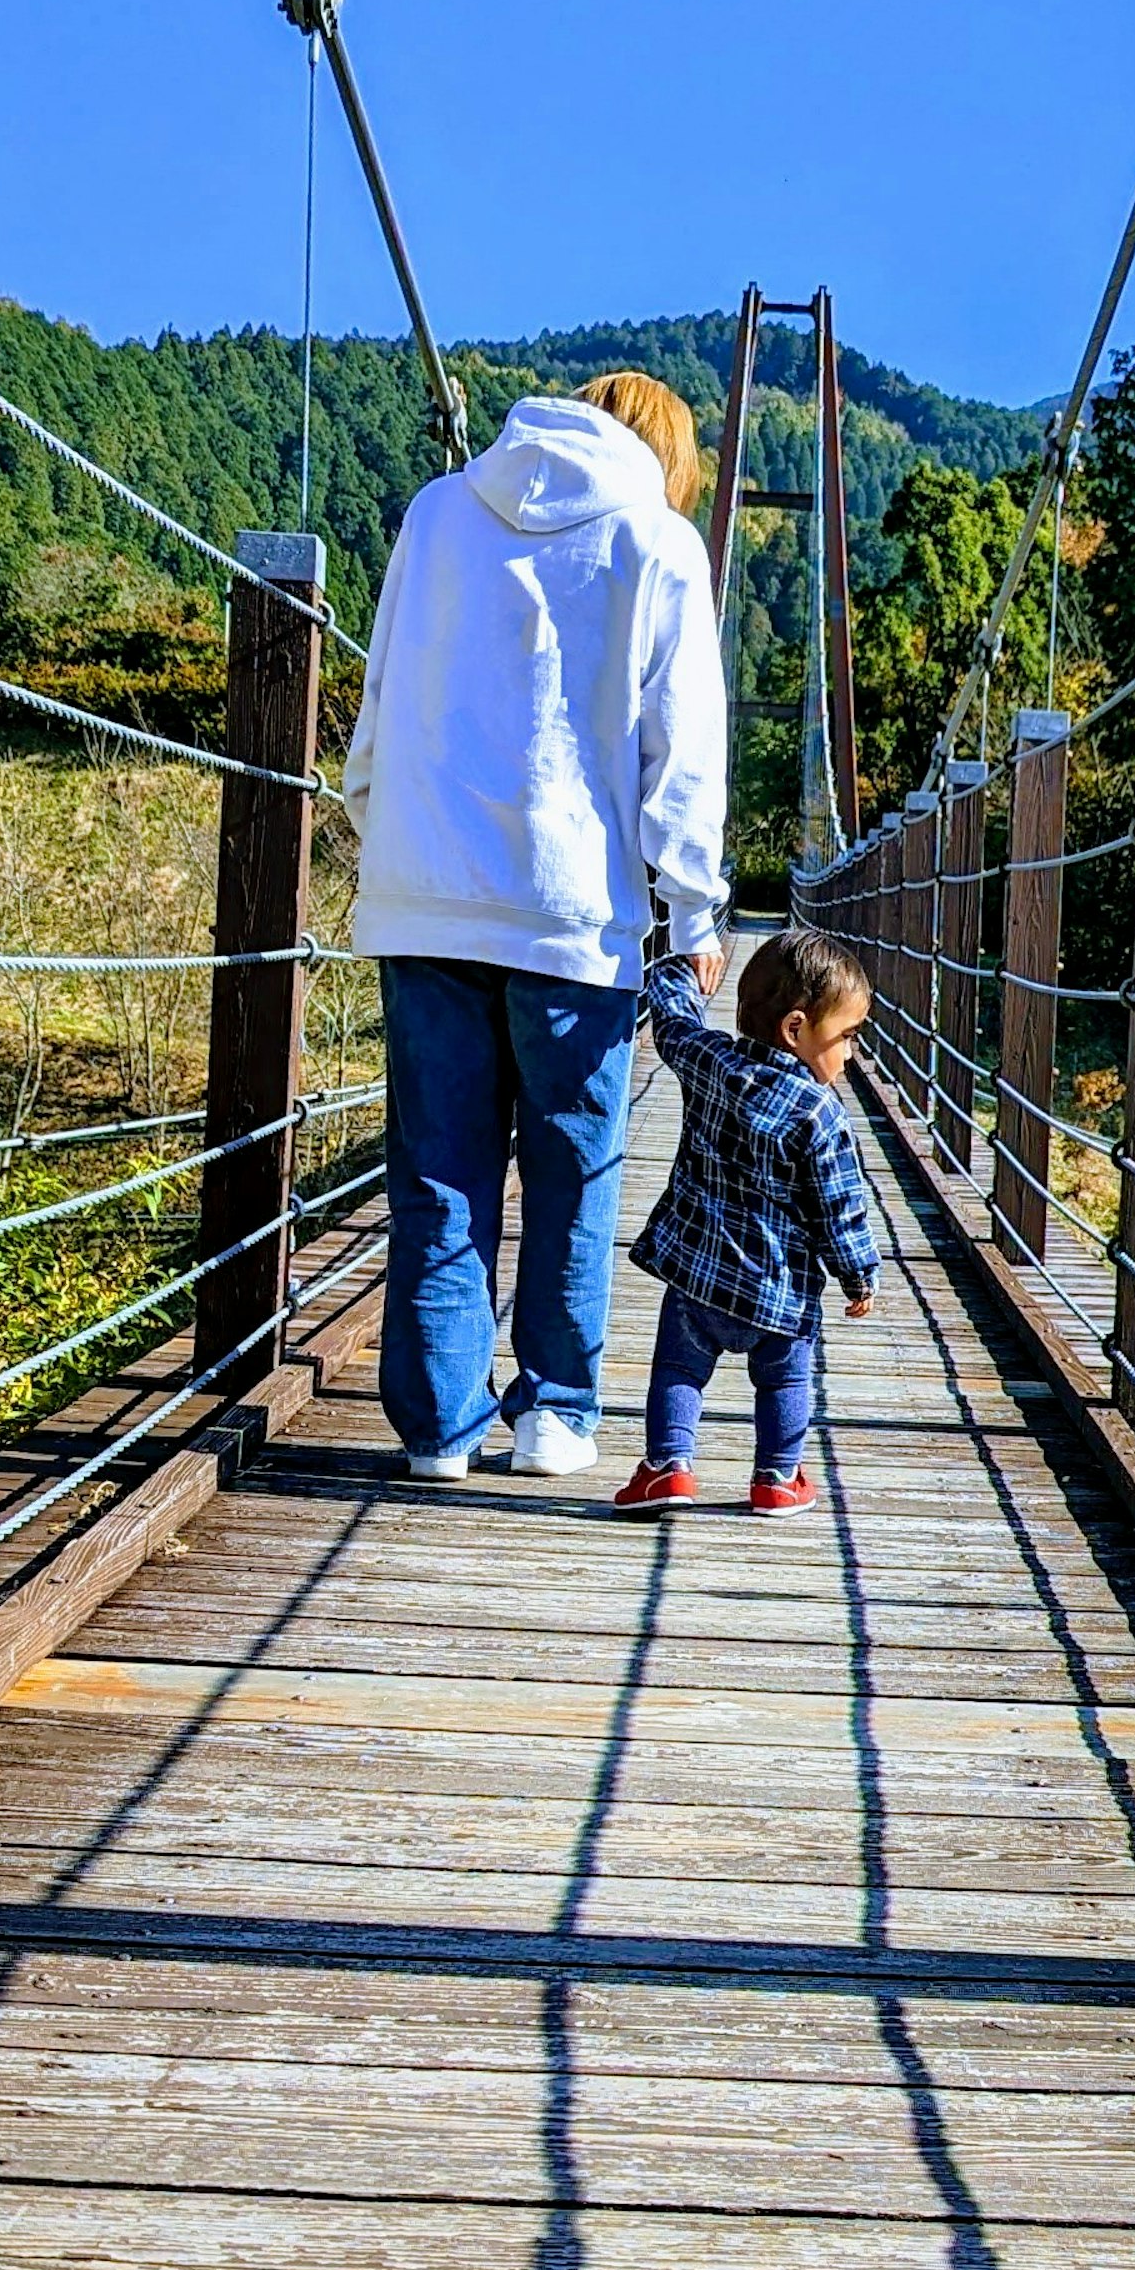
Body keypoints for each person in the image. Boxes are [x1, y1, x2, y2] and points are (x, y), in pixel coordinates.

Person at [343, 370, 727, 1479]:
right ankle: (555, 1413)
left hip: (427, 900)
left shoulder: (435, 510)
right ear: (666, 453)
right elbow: (681, 752)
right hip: (572, 914)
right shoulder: (659, 542)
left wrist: (389, 836)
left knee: (438, 1172)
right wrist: (694, 909)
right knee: (572, 1171)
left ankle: (440, 1429)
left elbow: (382, 695)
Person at [611, 925, 882, 1518]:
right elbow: (840, 1208)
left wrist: (679, 970)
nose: (851, 1053)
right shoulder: (822, 1113)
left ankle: (667, 1468)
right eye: (847, 1037)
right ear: (796, 1029)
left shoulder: (711, 1061)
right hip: (780, 1294)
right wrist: (860, 1275)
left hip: (697, 1279)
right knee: (786, 1383)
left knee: (679, 1370)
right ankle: (779, 1479)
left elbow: (675, 1024)